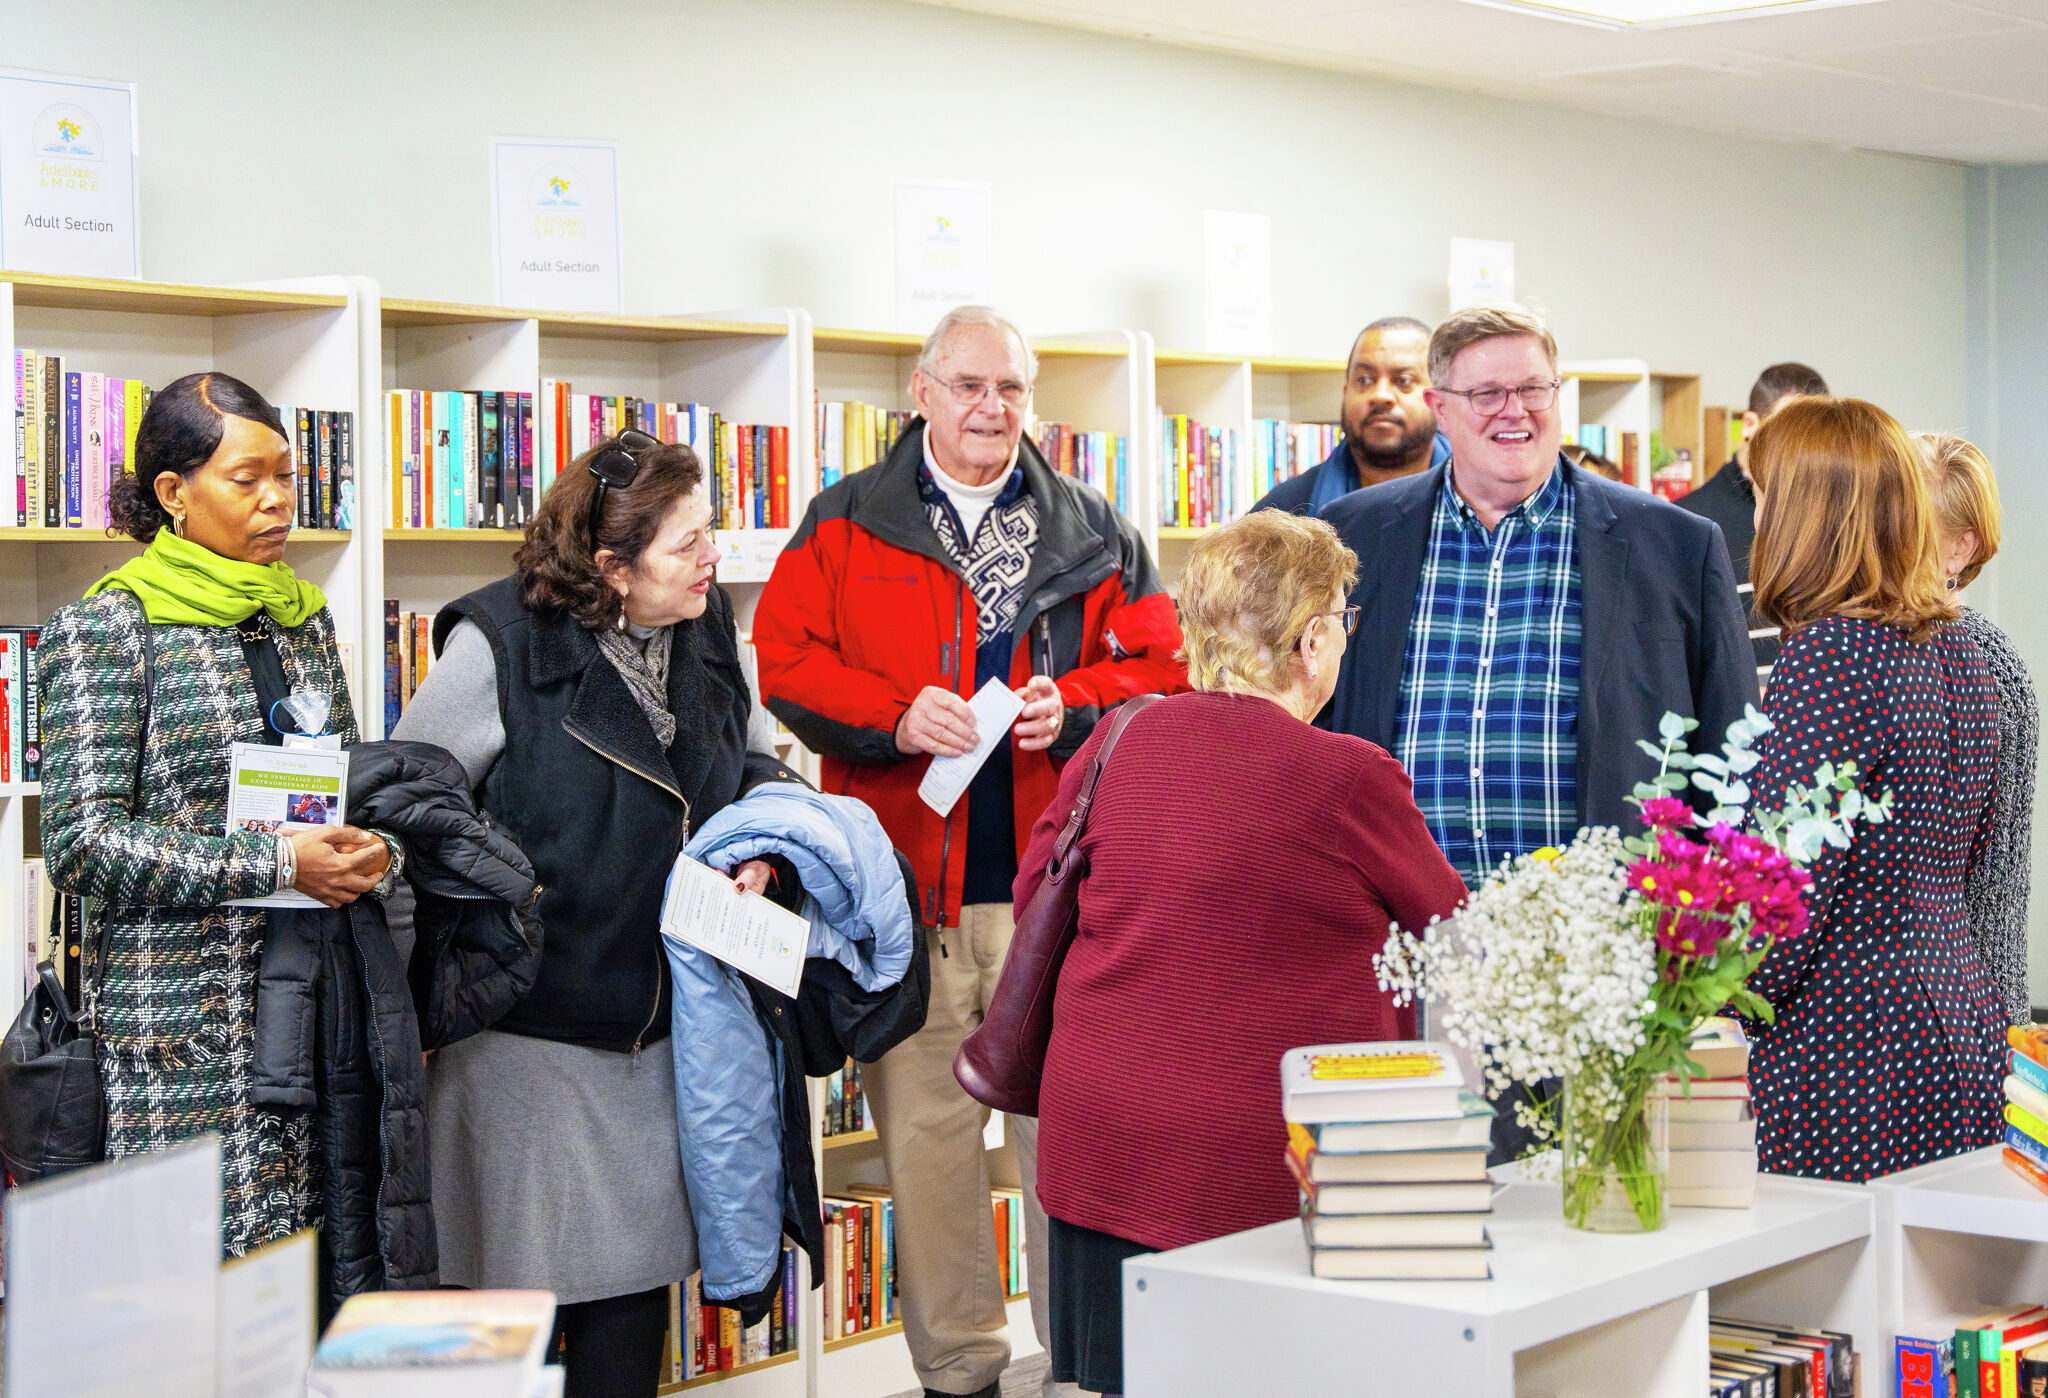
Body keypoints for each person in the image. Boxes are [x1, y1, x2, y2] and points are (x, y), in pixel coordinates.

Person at [754, 305, 1185, 1398]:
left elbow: (1162, 667)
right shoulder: (844, 521)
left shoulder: (1092, 525)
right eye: (968, 387)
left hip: (1059, 903)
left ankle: (1077, 1369)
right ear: (920, 392)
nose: (991, 409)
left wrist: (1074, 702)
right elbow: (785, 663)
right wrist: (895, 717)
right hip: (905, 905)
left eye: (1010, 390)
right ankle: (959, 1375)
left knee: (1069, 1155)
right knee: (930, 1159)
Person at [393, 431, 818, 1398]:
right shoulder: (496, 643)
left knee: (628, 1340)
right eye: (689, 542)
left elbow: (755, 767)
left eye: (712, 531)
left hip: (666, 1040)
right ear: (611, 567)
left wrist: (763, 845)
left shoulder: (708, 630)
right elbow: (409, 809)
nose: (715, 556)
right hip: (522, 1043)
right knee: (511, 1340)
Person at [1018, 511, 1467, 1398]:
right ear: (1311, 641)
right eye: (1343, 616)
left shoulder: (1115, 743)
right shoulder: (1349, 775)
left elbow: (1040, 902)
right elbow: (1453, 932)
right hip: (1249, 1172)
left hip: (1101, 1150)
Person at [37, 371, 412, 1264]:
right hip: (184, 1046)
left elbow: (349, 786)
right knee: (200, 1317)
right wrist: (278, 867)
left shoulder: (302, 621)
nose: (278, 499)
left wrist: (374, 851)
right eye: (247, 481)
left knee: (312, 1295)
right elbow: (81, 845)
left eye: (285, 475)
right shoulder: (110, 628)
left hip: (316, 1022)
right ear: (174, 494)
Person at [1321, 304, 1758, 888]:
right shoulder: (1353, 537)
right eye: (1487, 394)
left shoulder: (1676, 547)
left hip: (1604, 941)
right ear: (1441, 409)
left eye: (1533, 388)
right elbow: (1310, 728)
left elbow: (1734, 760)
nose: (1515, 410)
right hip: (1398, 932)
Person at [1743, 397, 2004, 1182]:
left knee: (1832, 1292)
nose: (1755, 524)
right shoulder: (1959, 648)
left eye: (1764, 499)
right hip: (1957, 1016)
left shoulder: (1831, 656)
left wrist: (1697, 990)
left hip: (1849, 1038)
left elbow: (1783, 893)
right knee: (1926, 1294)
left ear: (1807, 516)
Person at [1918, 431, 2037, 1027]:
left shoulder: (1991, 663)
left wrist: (2007, 1033)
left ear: (1960, 549)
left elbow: (2000, 877)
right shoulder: (1854, 642)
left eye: (1909, 518)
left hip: (1959, 1007)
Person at [1679, 362, 1829, 676]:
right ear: (1749, 424)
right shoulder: (1687, 521)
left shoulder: (1834, 520)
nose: (1801, 448)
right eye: (1788, 430)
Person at [1252, 315, 1449, 516]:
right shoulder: (1286, 512)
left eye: (1403, 380)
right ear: (1345, 393)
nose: (1380, 395)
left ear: (1439, 398)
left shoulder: (1476, 499)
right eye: (1364, 380)